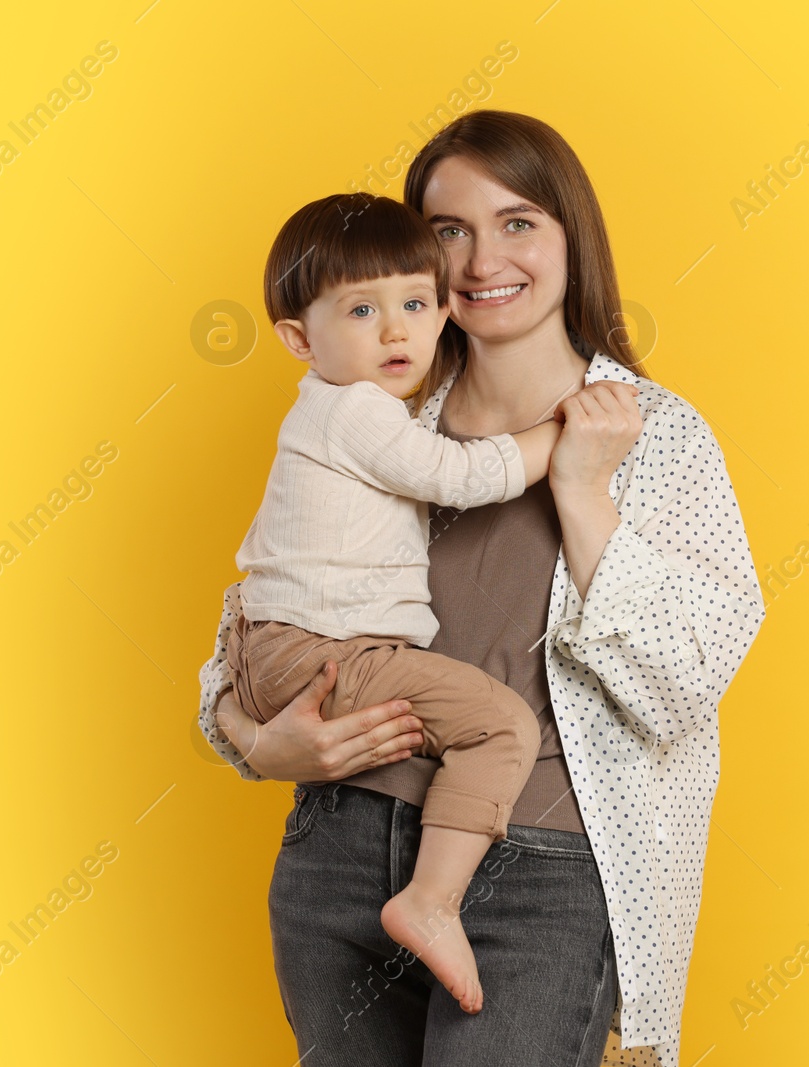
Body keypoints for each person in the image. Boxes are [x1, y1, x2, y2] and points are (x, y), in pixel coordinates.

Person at [197, 110, 766, 1067]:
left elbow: (683, 684)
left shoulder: (655, 435)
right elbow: (259, 618)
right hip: (343, 853)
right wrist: (257, 741)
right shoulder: (375, 412)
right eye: (449, 230)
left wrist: (584, 491)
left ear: (569, 239)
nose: (479, 258)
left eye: (517, 222)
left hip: (546, 873)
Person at [225, 189, 585, 1013]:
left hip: (292, 654)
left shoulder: (338, 413)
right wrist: (560, 433)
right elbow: (459, 477)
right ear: (297, 337)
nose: (396, 331)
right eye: (362, 309)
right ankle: (431, 899)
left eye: (414, 303)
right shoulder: (363, 410)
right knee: (501, 726)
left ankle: (428, 892)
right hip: (325, 665)